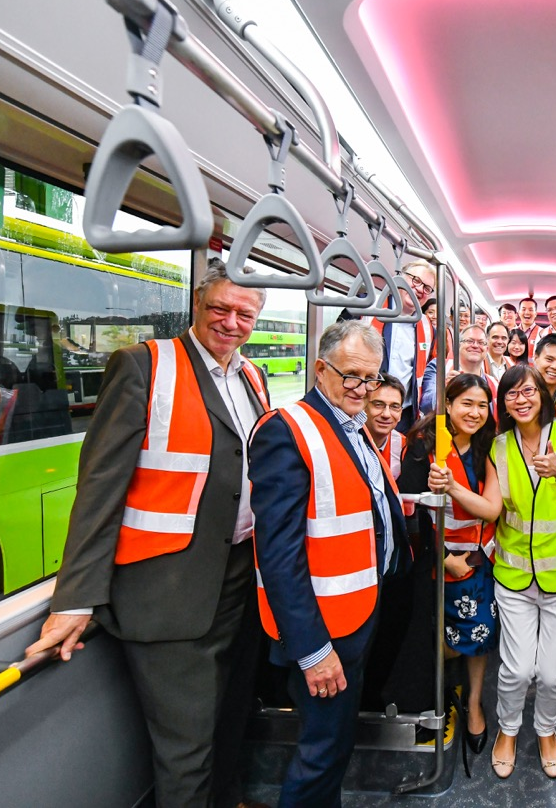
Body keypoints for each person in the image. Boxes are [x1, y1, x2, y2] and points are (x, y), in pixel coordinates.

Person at [28, 258, 270, 808]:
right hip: (167, 588)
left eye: (245, 314)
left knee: (231, 720)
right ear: (198, 307)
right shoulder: (143, 365)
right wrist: (77, 596)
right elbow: (100, 485)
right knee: (184, 748)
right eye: (221, 309)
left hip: (237, 577)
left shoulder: (250, 377)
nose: (232, 323)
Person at [250, 321, 413, 808]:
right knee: (321, 751)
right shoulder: (288, 430)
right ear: (321, 369)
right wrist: (312, 649)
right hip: (324, 629)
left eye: (372, 378)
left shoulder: (351, 426)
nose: (363, 389)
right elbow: (278, 554)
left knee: (338, 742)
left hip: (358, 609)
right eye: (352, 376)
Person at [488, 365, 556, 781]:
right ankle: (508, 730)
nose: (521, 399)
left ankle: (547, 730)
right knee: (516, 670)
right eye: (511, 393)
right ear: (504, 402)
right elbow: (494, 508)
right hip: (514, 576)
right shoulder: (497, 447)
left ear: (542, 394)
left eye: (528, 390)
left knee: (552, 672)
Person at [402, 374, 503, 768]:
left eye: (482, 405)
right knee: (429, 632)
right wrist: (441, 557)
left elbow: (491, 508)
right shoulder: (422, 445)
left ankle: (474, 701)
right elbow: (409, 510)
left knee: (479, 633)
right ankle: (437, 690)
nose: (475, 413)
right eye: (466, 404)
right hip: (432, 555)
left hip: (477, 557)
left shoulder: (489, 446)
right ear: (447, 402)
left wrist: (454, 488)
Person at [346, 258, 441, 432]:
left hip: (403, 413)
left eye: (427, 288)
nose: (420, 289)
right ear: (400, 278)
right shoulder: (365, 307)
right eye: (416, 280)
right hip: (362, 405)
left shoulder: (428, 327)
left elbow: (427, 369)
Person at [420, 324, 498, 414]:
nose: (475, 346)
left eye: (481, 342)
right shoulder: (440, 366)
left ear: (487, 349)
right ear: (458, 345)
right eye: (469, 341)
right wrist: (444, 389)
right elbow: (425, 405)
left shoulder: (494, 383)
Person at [366, 373, 407, 481]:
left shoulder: (405, 448)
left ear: (400, 413)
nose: (386, 414)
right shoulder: (346, 441)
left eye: (395, 407)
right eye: (378, 405)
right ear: (363, 406)